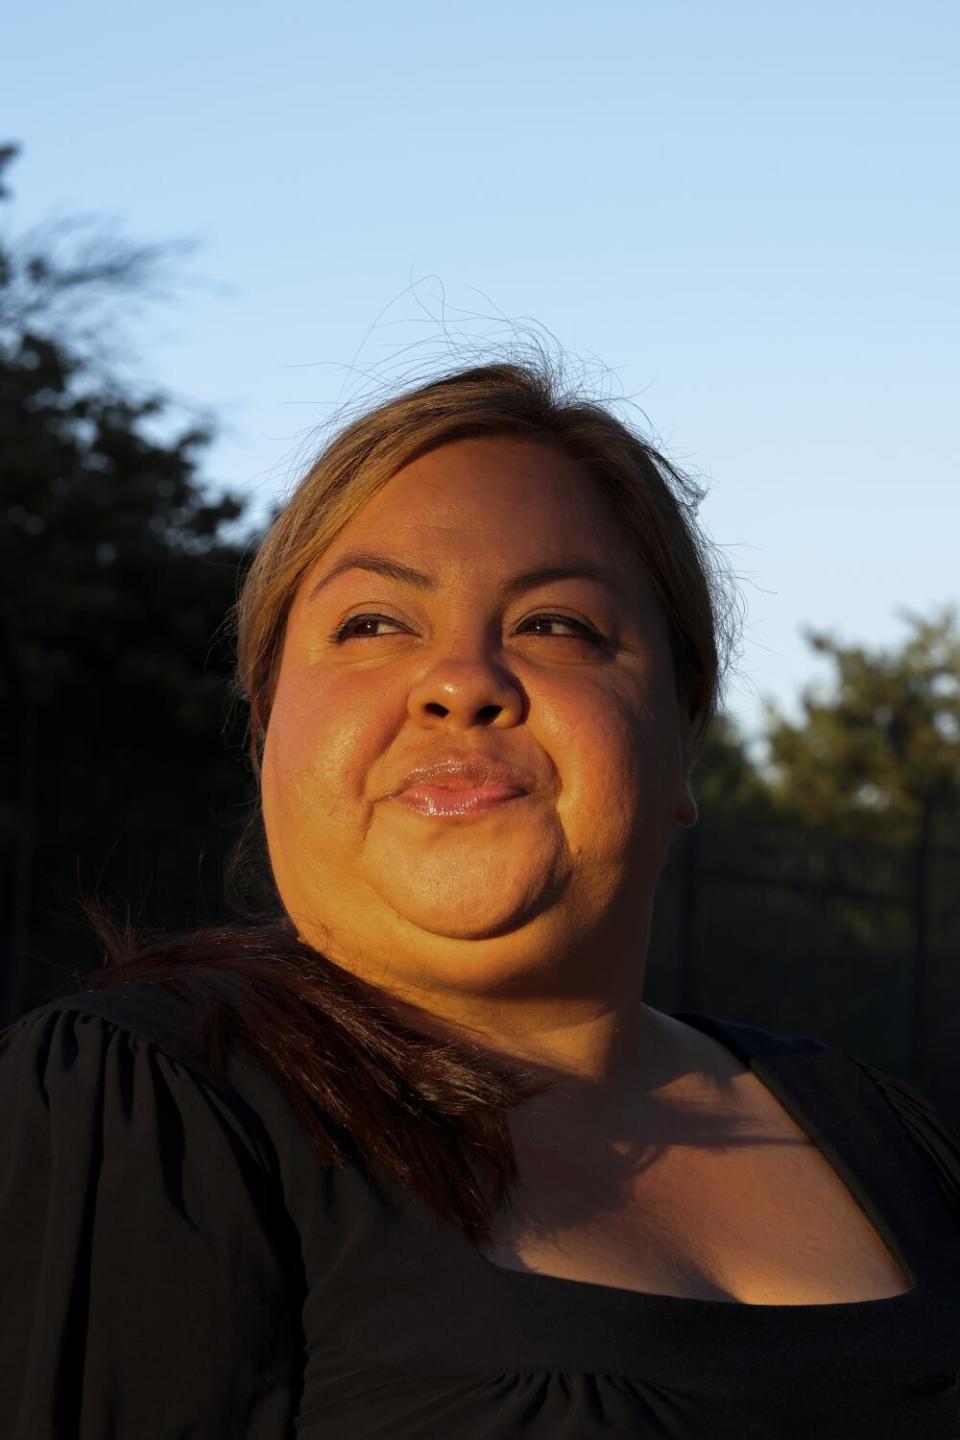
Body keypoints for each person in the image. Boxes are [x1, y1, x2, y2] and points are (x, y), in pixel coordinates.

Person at [2, 358, 959, 1438]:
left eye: (557, 625)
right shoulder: (152, 1112)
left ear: (683, 736)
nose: (462, 681)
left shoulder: (896, 1141)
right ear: (267, 723)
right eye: (372, 624)